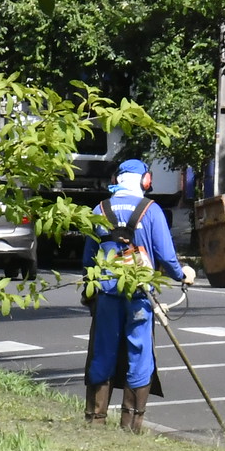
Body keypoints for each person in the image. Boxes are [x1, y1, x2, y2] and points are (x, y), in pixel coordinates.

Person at [82, 160, 186, 433]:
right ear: (145, 181)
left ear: (119, 179)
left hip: (106, 292)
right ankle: (131, 424)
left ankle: (95, 419)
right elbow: (166, 255)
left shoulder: (99, 209)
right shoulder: (151, 211)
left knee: (102, 351)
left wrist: (89, 290)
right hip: (140, 295)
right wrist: (182, 274)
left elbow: (87, 259)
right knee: (140, 353)